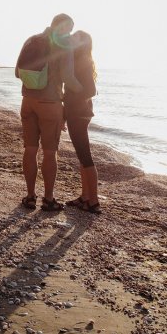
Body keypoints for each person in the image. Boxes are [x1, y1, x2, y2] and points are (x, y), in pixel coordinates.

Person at [16, 13, 82, 211]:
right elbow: (68, 77)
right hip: (50, 103)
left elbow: (17, 72)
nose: (69, 33)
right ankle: (49, 198)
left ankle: (29, 197)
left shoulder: (31, 40)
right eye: (69, 29)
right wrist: (84, 92)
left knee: (30, 149)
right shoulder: (64, 45)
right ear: (62, 26)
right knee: (50, 152)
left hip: (27, 101)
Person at [64, 31, 101, 214]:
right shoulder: (78, 58)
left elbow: (91, 90)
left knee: (85, 156)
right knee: (81, 155)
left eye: (76, 36)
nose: (72, 36)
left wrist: (70, 99)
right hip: (77, 112)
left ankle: (93, 201)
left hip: (79, 114)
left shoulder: (82, 60)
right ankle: (85, 196)